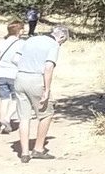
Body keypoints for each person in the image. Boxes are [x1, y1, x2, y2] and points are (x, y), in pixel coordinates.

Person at [11, 24, 69, 162]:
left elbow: (15, 59)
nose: (61, 44)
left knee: (24, 117)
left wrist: (26, 66)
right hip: (36, 79)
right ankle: (38, 149)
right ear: (60, 37)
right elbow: (48, 67)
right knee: (46, 114)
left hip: (20, 78)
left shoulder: (30, 40)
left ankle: (24, 153)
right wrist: (47, 90)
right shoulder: (53, 45)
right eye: (63, 41)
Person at [0, 20, 26, 134]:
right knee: (17, 98)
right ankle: (7, 118)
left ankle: (3, 125)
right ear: (19, 31)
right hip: (14, 74)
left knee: (4, 99)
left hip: (1, 73)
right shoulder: (21, 43)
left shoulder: (1, 42)